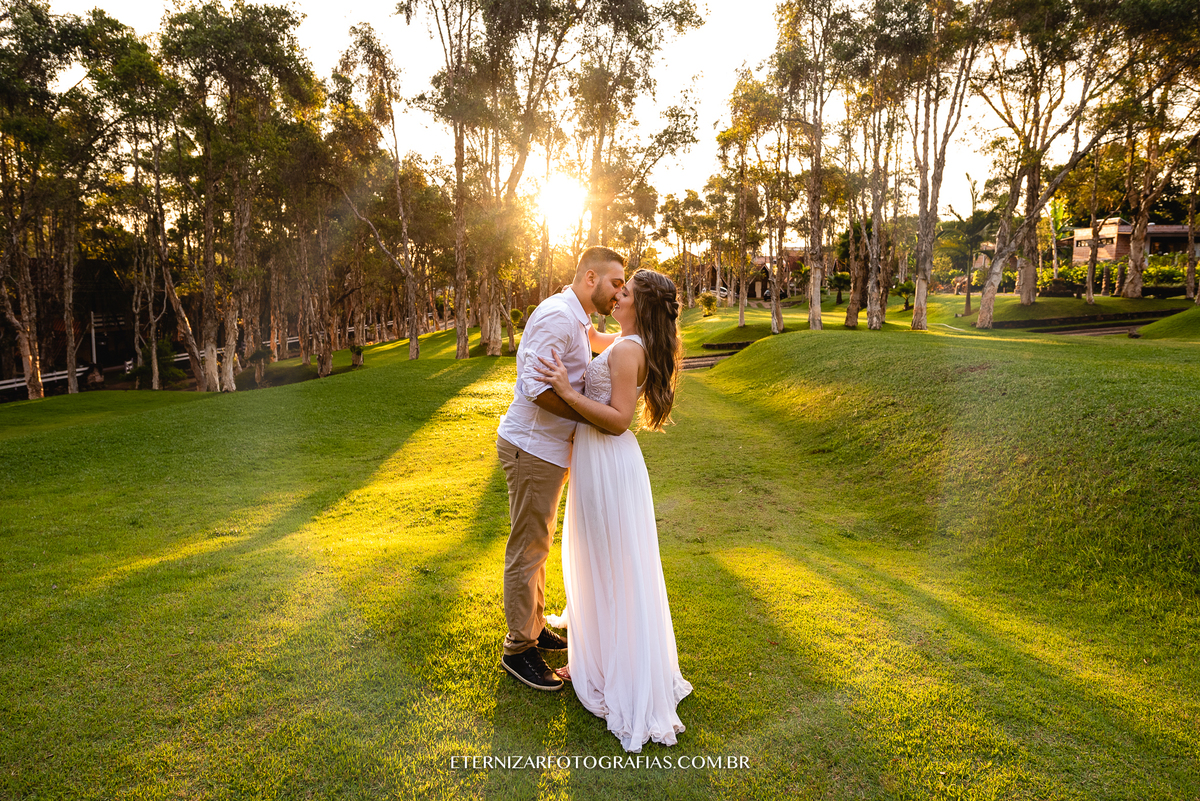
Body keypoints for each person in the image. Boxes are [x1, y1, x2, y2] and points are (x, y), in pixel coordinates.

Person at [534, 268, 693, 753]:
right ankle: (600, 656)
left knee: (605, 564)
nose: (616, 298)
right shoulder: (626, 340)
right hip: (601, 464)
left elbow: (621, 421)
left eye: (623, 294)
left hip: (608, 459)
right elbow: (592, 332)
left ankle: (603, 670)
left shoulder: (628, 350)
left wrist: (565, 391)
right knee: (607, 563)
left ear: (638, 306)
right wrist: (575, 304)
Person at [495, 246, 626, 692]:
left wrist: (639, 331)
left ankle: (532, 625)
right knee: (528, 545)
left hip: (551, 450)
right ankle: (518, 648)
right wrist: (588, 413)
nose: (619, 292)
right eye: (615, 283)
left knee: (540, 542)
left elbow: (596, 343)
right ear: (590, 277)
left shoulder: (578, 316)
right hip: (533, 448)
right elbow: (534, 389)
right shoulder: (557, 316)